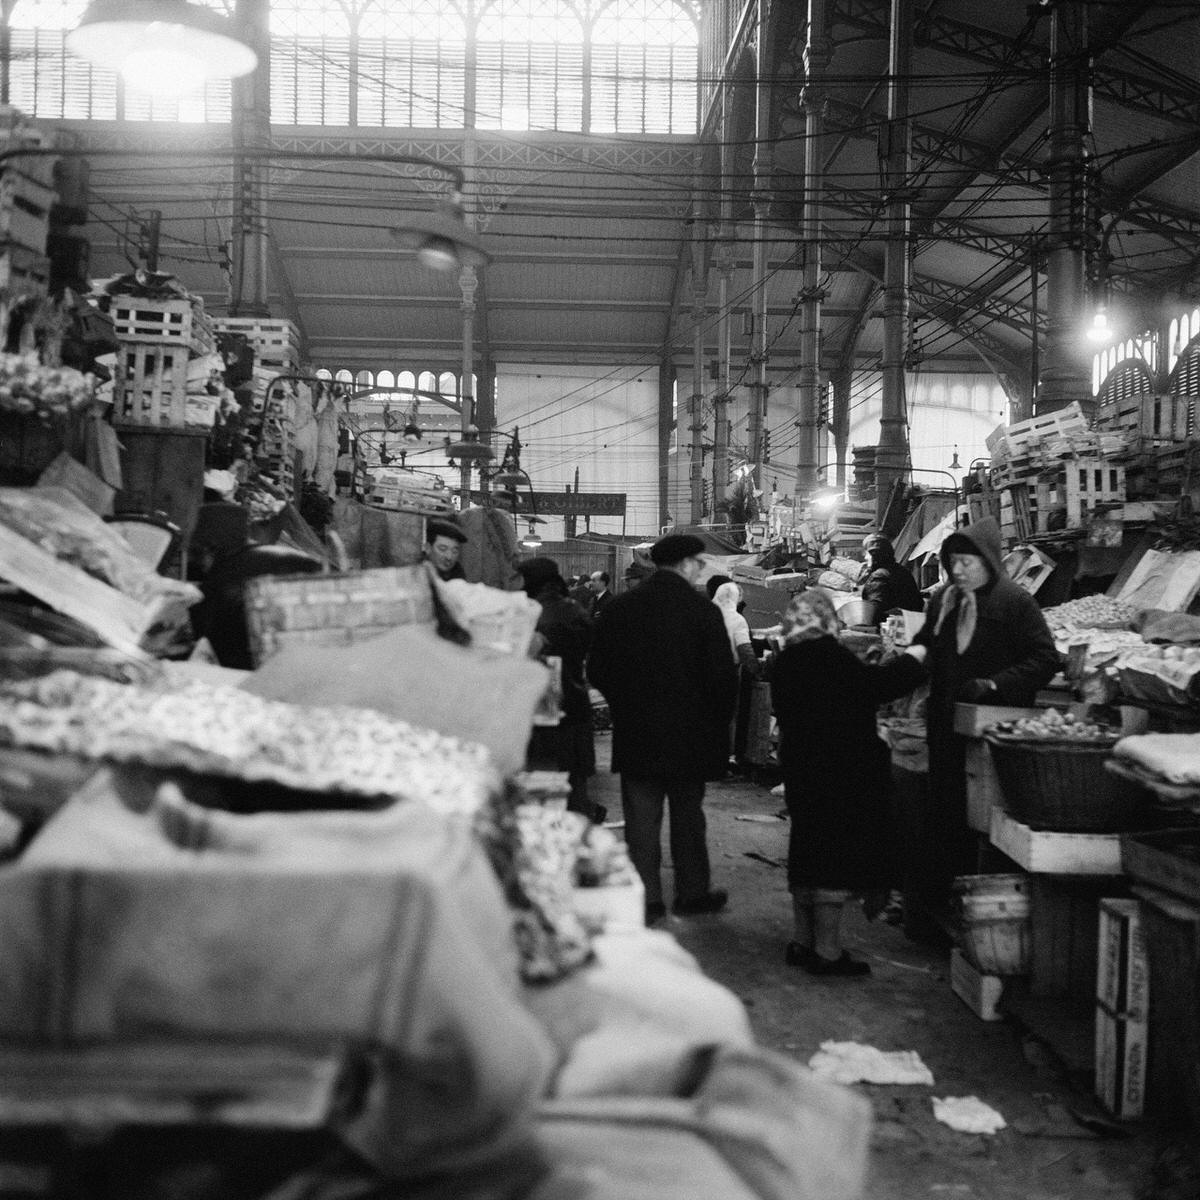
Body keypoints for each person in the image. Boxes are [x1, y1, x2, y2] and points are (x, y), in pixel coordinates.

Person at [770, 590, 928, 976]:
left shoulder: (784, 660)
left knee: (805, 848)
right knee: (832, 856)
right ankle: (827, 952)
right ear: (827, 620)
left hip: (800, 767)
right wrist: (916, 656)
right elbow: (876, 687)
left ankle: (801, 942)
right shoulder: (827, 655)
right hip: (836, 770)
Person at [911, 516, 1059, 925]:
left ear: (990, 562)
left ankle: (978, 914)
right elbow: (925, 644)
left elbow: (1044, 659)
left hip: (992, 735)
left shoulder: (1015, 603)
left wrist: (994, 685)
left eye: (966, 563)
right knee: (942, 814)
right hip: (946, 726)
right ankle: (936, 913)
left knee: (982, 824)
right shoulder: (945, 600)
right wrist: (904, 668)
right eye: (952, 562)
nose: (956, 570)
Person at [587, 533, 737, 925]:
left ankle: (646, 899)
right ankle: (691, 894)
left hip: (638, 733)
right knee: (689, 817)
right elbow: (723, 679)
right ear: (686, 564)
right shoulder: (703, 612)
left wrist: (625, 706)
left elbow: (598, 670)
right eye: (698, 563)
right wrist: (714, 725)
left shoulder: (622, 608)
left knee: (641, 819)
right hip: (690, 737)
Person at [517, 556, 602, 824]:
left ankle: (551, 836)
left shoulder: (529, 612)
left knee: (545, 777)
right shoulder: (576, 610)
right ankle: (577, 834)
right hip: (575, 704)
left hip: (542, 706)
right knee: (574, 779)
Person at [712, 581, 761, 772]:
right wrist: (757, 669)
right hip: (726, 672)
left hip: (701, 672)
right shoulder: (737, 619)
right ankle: (723, 759)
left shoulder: (706, 614)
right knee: (726, 716)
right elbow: (745, 649)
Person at [860, 533, 923, 621]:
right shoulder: (902, 570)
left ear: (874, 555)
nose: (866, 558)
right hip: (911, 623)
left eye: (867, 554)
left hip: (892, 628)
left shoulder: (879, 575)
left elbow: (873, 611)